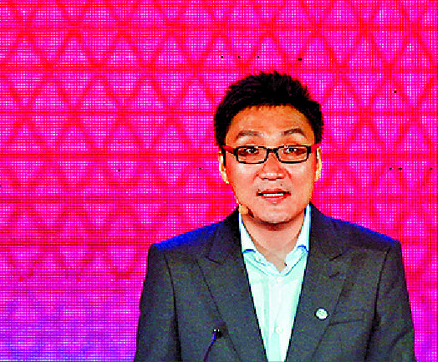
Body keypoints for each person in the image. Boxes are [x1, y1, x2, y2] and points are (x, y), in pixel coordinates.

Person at [134, 71, 415, 361]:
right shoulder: (177, 267)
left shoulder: (374, 263)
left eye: (292, 150)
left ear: (317, 163)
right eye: (250, 150)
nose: (272, 171)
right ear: (223, 166)